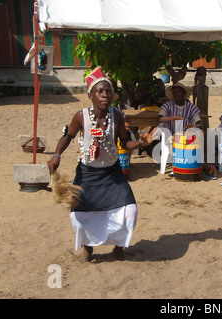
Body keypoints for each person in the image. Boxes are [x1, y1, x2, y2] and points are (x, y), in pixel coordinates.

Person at [47, 66, 152, 262]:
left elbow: (124, 143)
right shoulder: (81, 117)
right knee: (80, 216)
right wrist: (56, 155)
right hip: (87, 173)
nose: (105, 95)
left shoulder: (118, 116)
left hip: (112, 173)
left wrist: (141, 143)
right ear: (91, 96)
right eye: (100, 91)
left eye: (109, 92)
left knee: (130, 211)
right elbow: (68, 136)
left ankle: (119, 248)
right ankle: (88, 248)